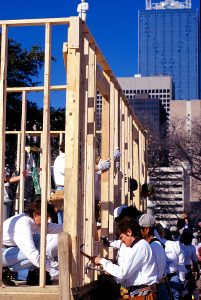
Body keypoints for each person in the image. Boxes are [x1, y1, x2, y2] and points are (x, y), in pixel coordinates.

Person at [2, 195, 63, 285]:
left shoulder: (35, 222)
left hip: (9, 252)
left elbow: (58, 228)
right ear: (35, 213)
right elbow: (31, 253)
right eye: (45, 217)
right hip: (3, 253)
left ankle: (6, 270)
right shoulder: (23, 225)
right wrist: (51, 269)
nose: (47, 220)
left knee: (43, 243)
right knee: (38, 251)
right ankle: (4, 269)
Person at [92, 216, 158, 299]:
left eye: (121, 237)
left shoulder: (140, 247)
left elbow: (123, 272)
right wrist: (112, 272)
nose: (121, 241)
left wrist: (102, 261)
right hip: (139, 292)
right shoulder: (138, 246)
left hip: (143, 293)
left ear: (129, 232)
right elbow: (126, 273)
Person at [138, 214, 170, 300]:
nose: (139, 232)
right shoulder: (152, 244)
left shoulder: (154, 246)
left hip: (156, 289)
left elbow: (157, 273)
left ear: (146, 229)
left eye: (140, 229)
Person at [155, 223, 186, 300]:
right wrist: (182, 281)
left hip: (159, 279)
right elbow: (181, 264)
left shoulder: (154, 244)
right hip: (172, 277)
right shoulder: (175, 245)